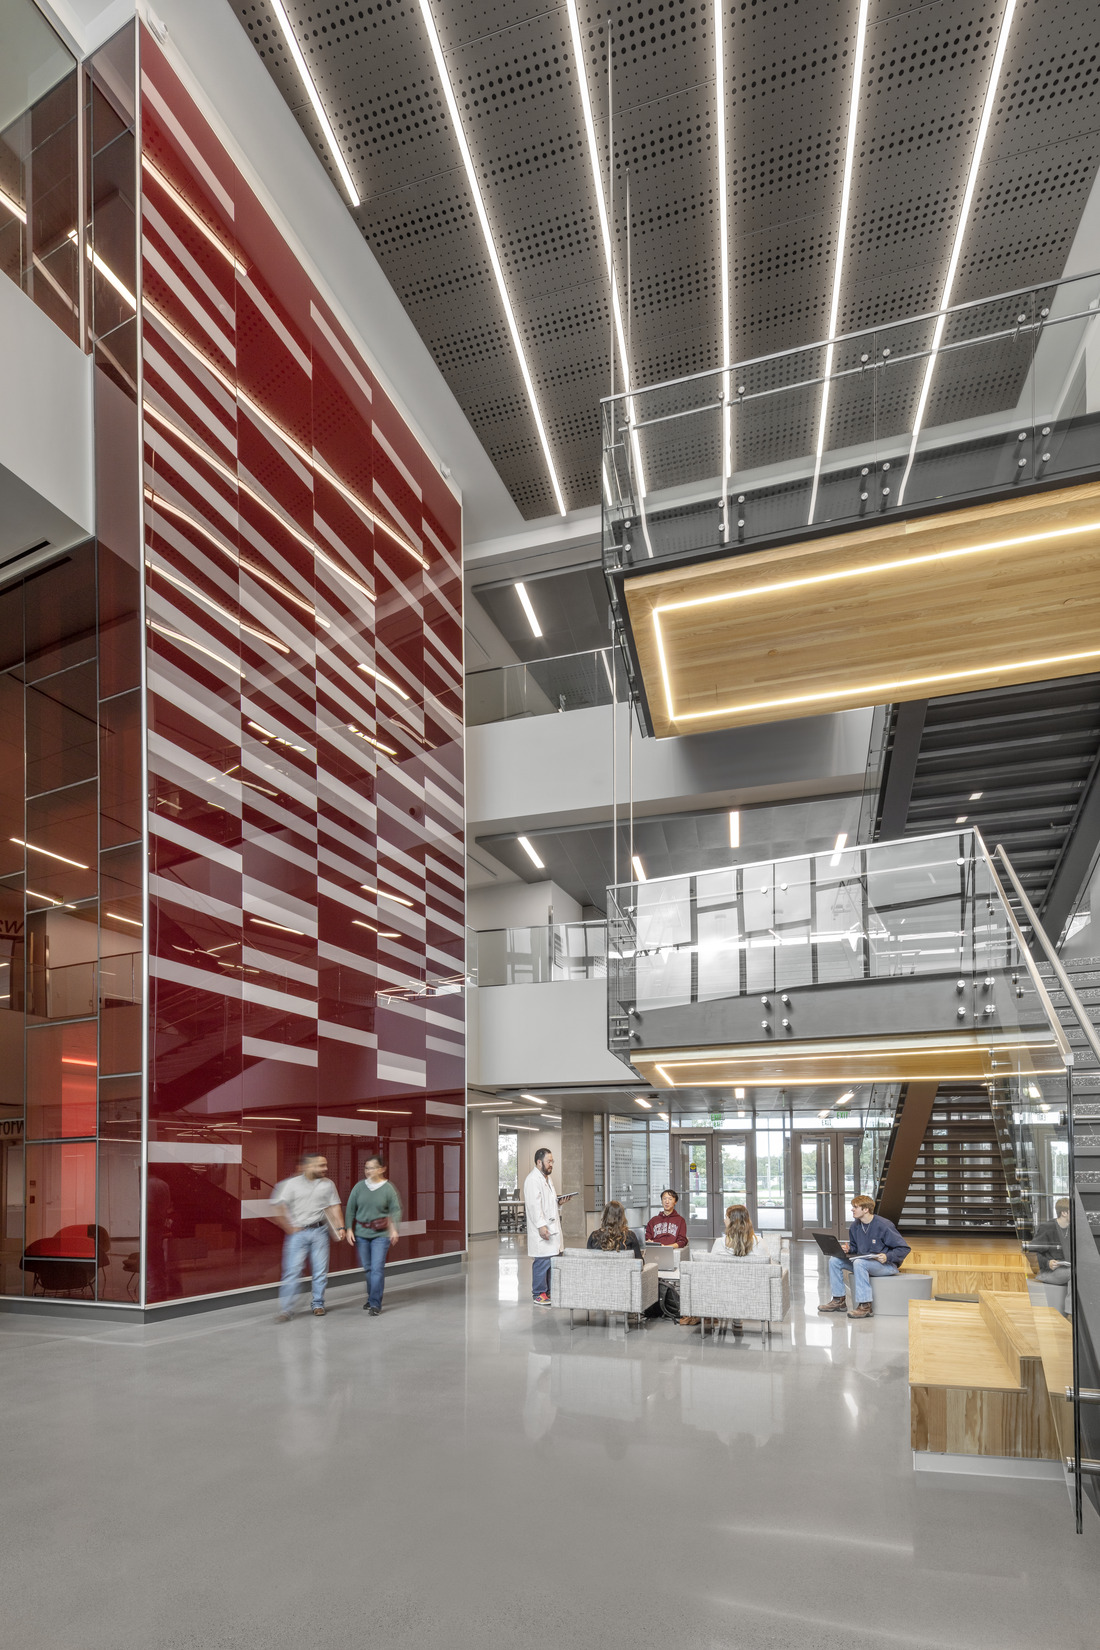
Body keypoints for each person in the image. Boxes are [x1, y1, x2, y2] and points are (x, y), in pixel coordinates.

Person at [273, 1152, 345, 1321]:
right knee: (292, 1271)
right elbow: (278, 1206)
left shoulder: (328, 1184)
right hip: (298, 1235)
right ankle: (286, 1310)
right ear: (308, 1166)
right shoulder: (290, 1185)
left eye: (325, 1165)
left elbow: (335, 1206)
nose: (325, 1168)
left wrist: (340, 1227)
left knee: (320, 1271)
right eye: (321, 1165)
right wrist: (289, 1227)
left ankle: (318, 1304)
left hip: (320, 1232)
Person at [818, 1194, 910, 1319]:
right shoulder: (855, 1226)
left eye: (855, 1207)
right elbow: (857, 1249)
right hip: (865, 1263)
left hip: (886, 1265)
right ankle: (838, 1301)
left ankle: (865, 1306)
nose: (852, 1209)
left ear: (866, 1209)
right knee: (835, 1260)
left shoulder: (884, 1225)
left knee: (859, 1263)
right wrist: (850, 1249)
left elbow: (904, 1248)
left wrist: (887, 1256)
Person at [345, 1153, 402, 1315]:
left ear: (382, 1169)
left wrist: (394, 1229)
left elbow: (395, 1210)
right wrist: (349, 1228)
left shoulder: (388, 1188)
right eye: (366, 1168)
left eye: (372, 1168)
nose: (368, 1171)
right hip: (362, 1233)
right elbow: (350, 1209)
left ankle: (375, 1304)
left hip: (381, 1234)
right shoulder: (359, 1187)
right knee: (368, 1268)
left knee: (377, 1268)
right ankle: (371, 1298)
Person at [704, 1203, 771, 1333]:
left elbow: (710, 1268)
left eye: (726, 1217)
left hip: (724, 1290)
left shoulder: (719, 1243)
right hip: (753, 1290)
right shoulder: (759, 1242)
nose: (724, 1220)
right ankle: (738, 1317)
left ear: (732, 1221)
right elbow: (769, 1268)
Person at [523, 1146, 563, 1305]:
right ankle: (539, 1293)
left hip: (551, 1226)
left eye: (552, 1161)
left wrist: (559, 1202)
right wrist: (541, 1226)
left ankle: (547, 1292)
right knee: (542, 1261)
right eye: (549, 1161)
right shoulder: (533, 1180)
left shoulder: (547, 1178)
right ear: (539, 1162)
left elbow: (548, 1204)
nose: (551, 1164)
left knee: (551, 1261)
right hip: (543, 1228)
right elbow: (534, 1206)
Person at [1030, 1198, 1072, 1284]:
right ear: (1064, 1213)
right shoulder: (1047, 1228)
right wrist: (1048, 1263)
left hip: (1067, 1269)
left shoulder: (1072, 1228)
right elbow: (1032, 1252)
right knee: (1073, 1273)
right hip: (1048, 1271)